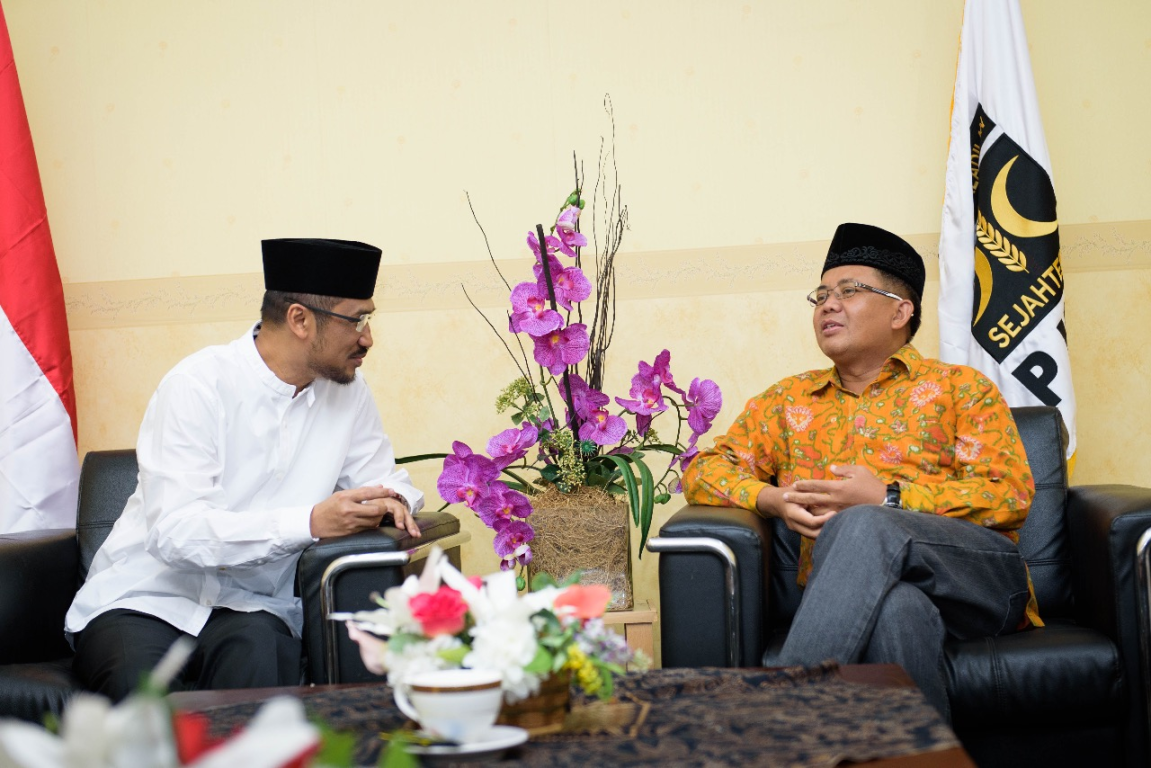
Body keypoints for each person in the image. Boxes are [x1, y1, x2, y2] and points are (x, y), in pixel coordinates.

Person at [682, 222, 1039, 720]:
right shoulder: (789, 401)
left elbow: (1010, 496)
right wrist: (772, 500)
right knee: (898, 611)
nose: (828, 304)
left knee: (867, 523)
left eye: (850, 291)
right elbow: (703, 470)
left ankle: (775, 728)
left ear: (900, 310)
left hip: (978, 582)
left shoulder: (960, 387)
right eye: (822, 294)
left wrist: (889, 500)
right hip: (859, 592)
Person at [66, 238, 424, 700]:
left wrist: (389, 500)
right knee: (141, 703)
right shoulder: (197, 385)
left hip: (251, 608)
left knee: (261, 688)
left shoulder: (349, 393)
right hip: (145, 599)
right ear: (299, 319)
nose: (367, 337)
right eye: (356, 319)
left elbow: (390, 481)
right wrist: (311, 522)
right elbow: (177, 533)